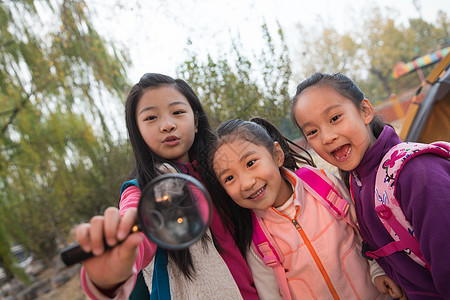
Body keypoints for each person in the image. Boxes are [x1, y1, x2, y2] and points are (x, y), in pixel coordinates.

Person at [75, 73, 260, 299]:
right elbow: (135, 234)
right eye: (151, 118)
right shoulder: (142, 192)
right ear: (138, 132)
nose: (167, 125)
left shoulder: (226, 171)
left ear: (196, 121)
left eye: (178, 112)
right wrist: (113, 270)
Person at [290, 72, 450, 299]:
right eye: (312, 132)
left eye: (334, 118)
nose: (326, 137)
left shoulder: (417, 173)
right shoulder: (356, 181)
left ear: (365, 111)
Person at [210, 117, 404, 299]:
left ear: (277, 155)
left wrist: (378, 270)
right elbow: (271, 294)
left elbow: (363, 228)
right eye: (229, 178)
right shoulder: (257, 239)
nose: (245, 183)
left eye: (251, 163)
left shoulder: (321, 184)